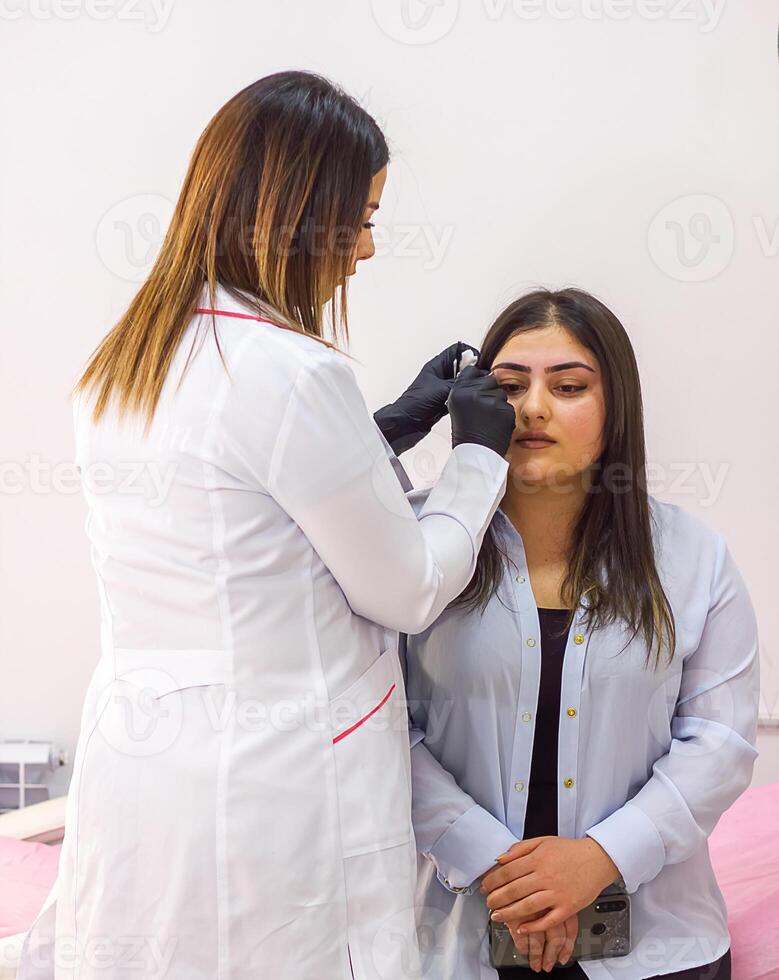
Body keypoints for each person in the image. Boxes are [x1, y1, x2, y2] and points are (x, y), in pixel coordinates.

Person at [18, 71, 516, 980]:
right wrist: (479, 460)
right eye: (362, 217)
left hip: (150, 762)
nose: (366, 248)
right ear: (299, 215)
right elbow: (405, 588)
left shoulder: (127, 364)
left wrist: (389, 427)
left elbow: (244, 523)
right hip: (277, 777)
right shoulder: (292, 373)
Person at [403, 288, 759, 979]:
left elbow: (720, 741)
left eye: (567, 387)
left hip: (660, 948)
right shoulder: (413, 544)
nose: (533, 408)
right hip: (449, 948)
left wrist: (601, 857)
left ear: (615, 406)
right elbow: (377, 726)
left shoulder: (691, 556)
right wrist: (494, 863)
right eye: (507, 387)